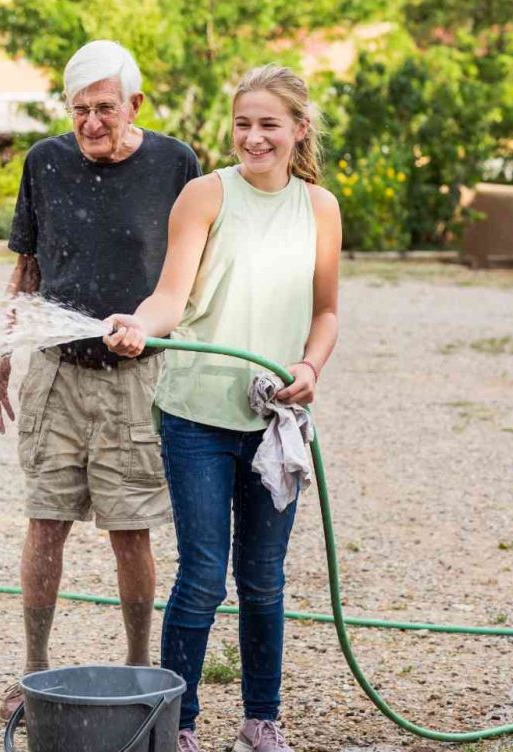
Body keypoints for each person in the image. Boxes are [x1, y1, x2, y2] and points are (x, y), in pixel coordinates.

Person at [104, 64, 342, 752]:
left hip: (275, 419)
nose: (254, 137)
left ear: (299, 130)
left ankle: (260, 722)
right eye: (243, 124)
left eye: (269, 124)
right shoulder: (205, 196)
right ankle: (176, 727)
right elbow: (170, 297)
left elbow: (326, 312)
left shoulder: (319, 208)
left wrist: (308, 367)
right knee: (204, 575)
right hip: (197, 415)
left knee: (264, 579)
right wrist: (142, 325)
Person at [0, 39, 201, 720]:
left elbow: (190, 271)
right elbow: (27, 268)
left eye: (106, 108)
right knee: (45, 524)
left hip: (136, 378)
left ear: (135, 103)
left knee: (129, 529)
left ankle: (140, 670)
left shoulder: (175, 163)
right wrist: (0, 354)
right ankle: (33, 669)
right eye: (80, 110)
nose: (92, 123)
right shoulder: (44, 162)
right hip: (55, 372)